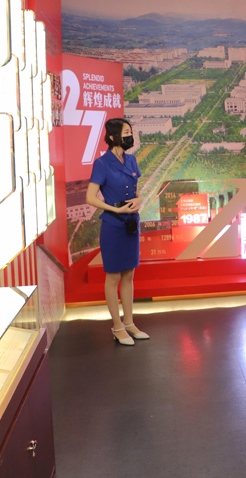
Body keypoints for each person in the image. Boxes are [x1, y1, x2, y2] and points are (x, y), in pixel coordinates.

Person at [86, 118, 148, 346]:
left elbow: (137, 190)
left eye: (130, 132)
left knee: (129, 275)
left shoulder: (131, 159)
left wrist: (139, 200)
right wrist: (115, 209)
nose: (130, 136)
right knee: (113, 277)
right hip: (113, 225)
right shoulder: (102, 163)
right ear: (113, 137)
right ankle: (117, 326)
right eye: (126, 133)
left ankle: (129, 322)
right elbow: (90, 197)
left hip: (131, 223)